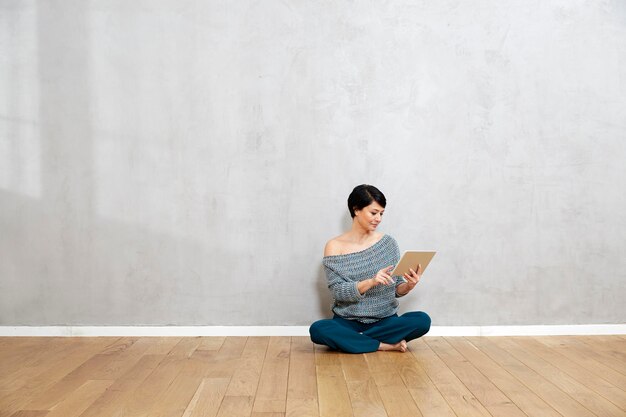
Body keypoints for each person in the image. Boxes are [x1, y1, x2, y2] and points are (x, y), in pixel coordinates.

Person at [309, 184, 431, 353]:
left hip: (385, 320)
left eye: (381, 213)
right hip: (348, 321)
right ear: (356, 210)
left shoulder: (388, 243)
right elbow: (338, 292)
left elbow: (396, 289)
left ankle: (357, 341)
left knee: (422, 320)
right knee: (318, 329)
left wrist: (408, 286)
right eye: (374, 213)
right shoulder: (334, 246)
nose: (378, 218)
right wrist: (371, 282)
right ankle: (383, 345)